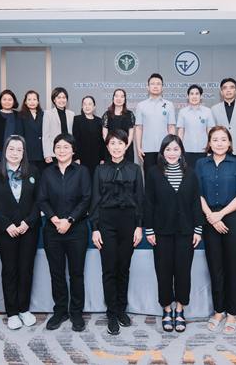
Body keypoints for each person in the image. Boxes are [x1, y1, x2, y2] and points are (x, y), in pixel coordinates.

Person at [144, 135, 203, 333]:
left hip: (186, 232)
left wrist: (198, 229)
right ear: (162, 152)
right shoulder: (153, 173)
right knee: (163, 272)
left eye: (175, 149)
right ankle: (167, 310)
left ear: (181, 152)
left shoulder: (191, 174)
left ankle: (179, 310)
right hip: (161, 232)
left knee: (183, 272)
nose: (172, 153)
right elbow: (148, 202)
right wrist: (149, 229)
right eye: (168, 149)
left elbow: (196, 202)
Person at [90, 129, 144, 335]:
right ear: (107, 146)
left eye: (120, 143)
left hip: (128, 222)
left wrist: (139, 226)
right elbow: (95, 200)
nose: (116, 147)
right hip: (106, 222)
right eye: (112, 143)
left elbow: (140, 199)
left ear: (126, 145)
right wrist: (95, 229)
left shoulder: (134, 169)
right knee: (109, 269)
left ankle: (121, 309)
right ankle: (111, 313)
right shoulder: (100, 170)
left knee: (124, 268)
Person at [196, 127, 236, 335]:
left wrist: (221, 214)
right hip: (209, 217)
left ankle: (233, 313)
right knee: (215, 266)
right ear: (209, 143)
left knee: (233, 266)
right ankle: (219, 311)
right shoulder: (201, 164)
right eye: (215, 139)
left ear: (229, 143)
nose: (219, 143)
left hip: (233, 217)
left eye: (223, 139)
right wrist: (211, 215)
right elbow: (197, 193)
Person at [0, 135, 41, 330]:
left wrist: (28, 222)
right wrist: (6, 224)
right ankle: (12, 312)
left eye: (19, 149)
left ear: (24, 152)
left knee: (26, 269)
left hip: (29, 229)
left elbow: (39, 200)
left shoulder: (33, 171)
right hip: (5, 230)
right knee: (10, 270)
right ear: (5, 151)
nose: (15, 153)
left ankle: (24, 309)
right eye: (11, 149)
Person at [37, 133, 91, 332]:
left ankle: (76, 312)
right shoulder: (47, 173)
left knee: (76, 273)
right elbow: (42, 199)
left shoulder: (82, 171)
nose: (62, 150)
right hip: (52, 230)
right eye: (58, 147)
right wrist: (54, 219)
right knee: (56, 273)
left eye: (66, 147)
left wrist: (69, 220)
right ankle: (60, 311)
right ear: (53, 150)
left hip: (77, 229)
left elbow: (86, 198)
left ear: (73, 150)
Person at [134, 73, 176, 172]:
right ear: (148, 87)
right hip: (147, 149)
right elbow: (139, 128)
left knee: (165, 176)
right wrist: (139, 147)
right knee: (149, 177)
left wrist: (172, 147)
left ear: (162, 87)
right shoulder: (141, 105)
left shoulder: (169, 105)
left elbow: (171, 127)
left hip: (165, 149)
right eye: (152, 84)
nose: (155, 86)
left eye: (158, 84)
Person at [177, 84, 215, 168]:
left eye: (197, 94)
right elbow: (180, 132)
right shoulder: (182, 112)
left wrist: (210, 149)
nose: (194, 96)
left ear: (201, 96)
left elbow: (210, 132)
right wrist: (179, 148)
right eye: (192, 94)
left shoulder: (207, 111)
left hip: (203, 150)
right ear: (188, 96)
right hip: (186, 150)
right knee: (188, 173)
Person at [73, 96, 105, 176]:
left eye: (90, 104)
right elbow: (75, 140)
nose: (87, 106)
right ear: (82, 106)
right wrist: (76, 157)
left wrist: (102, 158)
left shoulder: (99, 121)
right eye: (85, 104)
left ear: (94, 107)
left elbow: (101, 141)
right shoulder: (77, 119)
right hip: (81, 158)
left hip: (96, 158)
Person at [102, 89, 136, 163]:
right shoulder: (107, 114)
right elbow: (105, 135)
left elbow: (131, 135)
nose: (119, 99)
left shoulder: (130, 114)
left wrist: (125, 147)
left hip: (126, 149)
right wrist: (110, 147)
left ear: (124, 99)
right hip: (111, 150)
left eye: (122, 96)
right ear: (113, 98)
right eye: (116, 96)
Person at [42, 87, 75, 164]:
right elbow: (46, 135)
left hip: (68, 151)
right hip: (54, 152)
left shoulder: (71, 114)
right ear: (54, 99)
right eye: (59, 97)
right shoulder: (48, 114)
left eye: (64, 97)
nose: (61, 100)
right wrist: (47, 154)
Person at [0, 89, 24, 161]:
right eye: (4, 99)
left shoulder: (19, 115)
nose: (7, 102)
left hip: (15, 152)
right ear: (0, 101)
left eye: (10, 100)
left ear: (14, 101)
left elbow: (22, 134)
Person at [19, 90, 46, 173]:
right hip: (28, 152)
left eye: (34, 99)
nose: (32, 102)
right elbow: (19, 135)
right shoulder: (20, 115)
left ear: (38, 101)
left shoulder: (44, 114)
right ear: (25, 102)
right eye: (29, 99)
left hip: (42, 152)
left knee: (42, 175)